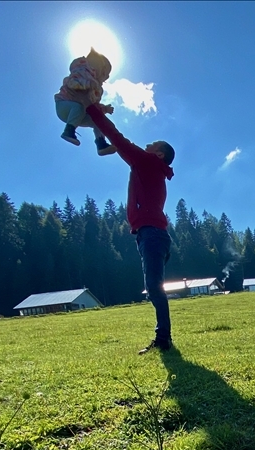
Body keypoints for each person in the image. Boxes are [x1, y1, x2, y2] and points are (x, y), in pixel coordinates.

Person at [84, 102, 176, 354]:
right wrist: (99, 138)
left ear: (159, 154)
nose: (147, 145)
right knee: (155, 287)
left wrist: (92, 110)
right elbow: (115, 145)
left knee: (154, 287)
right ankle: (164, 338)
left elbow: (118, 138)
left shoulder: (147, 162)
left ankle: (163, 339)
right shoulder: (150, 166)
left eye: (153, 144)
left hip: (152, 234)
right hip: (152, 234)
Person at [55, 48, 117, 156]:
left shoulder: (96, 87)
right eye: (104, 72)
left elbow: (93, 105)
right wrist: (88, 84)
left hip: (80, 113)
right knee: (78, 107)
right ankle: (69, 131)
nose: (106, 76)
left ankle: (101, 144)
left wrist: (104, 109)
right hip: (64, 104)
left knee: (98, 119)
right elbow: (72, 83)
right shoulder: (82, 71)